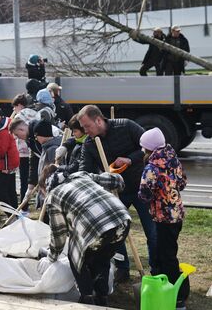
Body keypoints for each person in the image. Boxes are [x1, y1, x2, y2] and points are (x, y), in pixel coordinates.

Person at [77, 105, 157, 282]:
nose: (85, 131)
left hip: (140, 187)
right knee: (114, 232)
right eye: (83, 128)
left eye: (87, 126)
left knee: (152, 230)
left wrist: (130, 159)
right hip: (115, 193)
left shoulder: (126, 126)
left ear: (98, 120)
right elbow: (85, 169)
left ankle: (156, 269)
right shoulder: (90, 144)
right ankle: (122, 268)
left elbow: (148, 149)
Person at [37, 165, 130, 306]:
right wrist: (119, 184)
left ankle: (87, 298)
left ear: (45, 186)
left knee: (76, 258)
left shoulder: (54, 196)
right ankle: (101, 298)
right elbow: (117, 180)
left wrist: (51, 257)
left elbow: (59, 235)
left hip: (97, 227)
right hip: (122, 220)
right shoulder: (80, 175)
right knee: (101, 258)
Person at [138, 127, 189, 309]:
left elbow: (144, 194)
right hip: (177, 214)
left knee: (166, 256)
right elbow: (182, 182)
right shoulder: (173, 159)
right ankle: (172, 291)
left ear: (149, 148)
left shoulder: (152, 167)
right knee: (168, 252)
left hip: (163, 217)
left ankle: (178, 296)